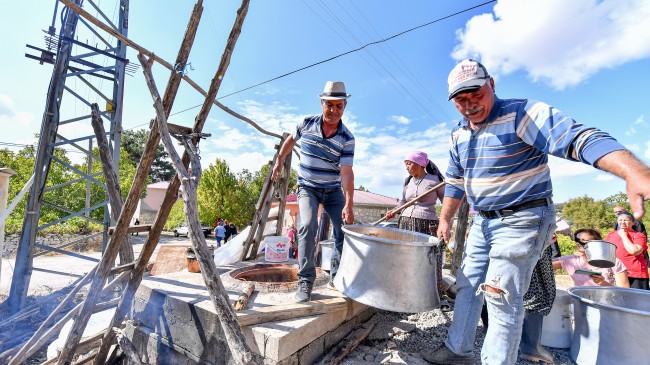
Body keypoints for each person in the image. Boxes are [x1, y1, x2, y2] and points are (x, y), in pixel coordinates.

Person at [425, 59, 650, 365]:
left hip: (523, 218)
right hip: (483, 220)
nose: (470, 104)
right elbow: (454, 182)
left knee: (500, 294)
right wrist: (446, 219)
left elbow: (578, 138)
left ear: (491, 84)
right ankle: (457, 350)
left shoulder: (522, 114)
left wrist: (632, 170)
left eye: (475, 93)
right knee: (467, 283)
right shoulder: (458, 133)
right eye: (461, 100)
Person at [271, 81, 355, 303]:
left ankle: (336, 277)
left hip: (332, 189)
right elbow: (290, 141)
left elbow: (346, 172)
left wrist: (349, 203)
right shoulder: (306, 123)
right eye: (329, 105)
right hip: (308, 187)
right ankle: (305, 281)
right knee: (308, 225)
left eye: (339, 106)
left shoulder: (347, 138)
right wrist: (279, 159)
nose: (333, 110)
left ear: (344, 107)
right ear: (322, 103)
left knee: (345, 230)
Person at [385, 151, 445, 299]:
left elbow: (446, 201)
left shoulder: (435, 180)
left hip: (426, 223)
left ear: (420, 164)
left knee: (427, 259)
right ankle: (404, 293)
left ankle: (430, 294)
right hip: (405, 222)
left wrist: (445, 220)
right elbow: (403, 203)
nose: (407, 167)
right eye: (406, 164)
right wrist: (395, 211)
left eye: (409, 163)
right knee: (404, 257)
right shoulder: (407, 181)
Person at [554, 228, 629, 287]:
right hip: (581, 304)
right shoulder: (571, 260)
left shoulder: (613, 262)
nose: (579, 242)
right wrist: (548, 241)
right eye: (578, 240)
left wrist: (603, 283)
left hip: (607, 303)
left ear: (598, 243)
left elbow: (624, 292)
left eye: (584, 240)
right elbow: (544, 265)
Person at [606, 211, 648, 289]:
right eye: (620, 220)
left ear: (633, 222)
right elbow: (607, 253)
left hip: (635, 274)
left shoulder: (638, 235)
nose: (622, 222)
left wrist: (624, 236)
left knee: (637, 299)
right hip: (617, 273)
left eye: (625, 220)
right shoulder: (611, 234)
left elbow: (634, 251)